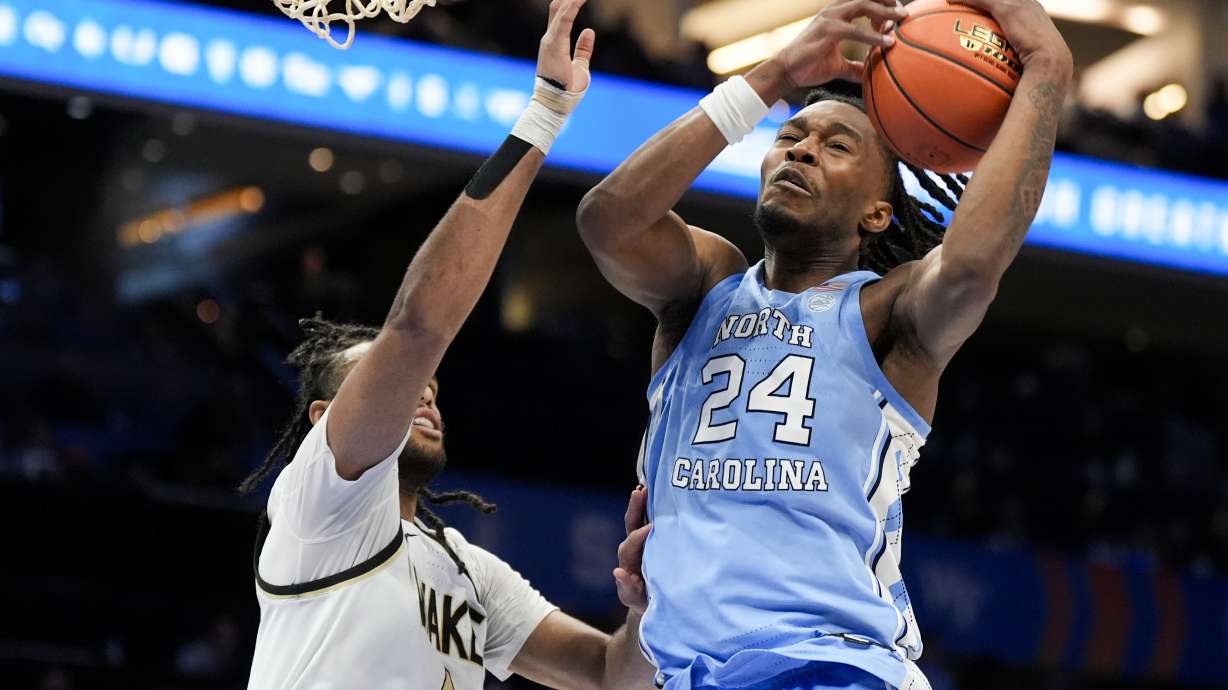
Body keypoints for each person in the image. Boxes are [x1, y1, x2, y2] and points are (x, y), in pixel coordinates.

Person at [575, 0, 1072, 688]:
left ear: (877, 210)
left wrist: (1047, 67)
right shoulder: (705, 286)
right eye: (790, 137)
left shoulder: (887, 314)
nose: (801, 148)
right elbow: (608, 222)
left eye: (837, 146)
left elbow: (970, 265)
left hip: (833, 663)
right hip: (698, 672)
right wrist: (775, 73)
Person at [241, 2, 649, 687]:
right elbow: (419, 326)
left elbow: (612, 676)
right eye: (397, 383)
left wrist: (644, 607)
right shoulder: (323, 503)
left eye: (429, 387)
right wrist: (544, 113)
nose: (423, 390)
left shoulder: (465, 568)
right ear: (323, 424)